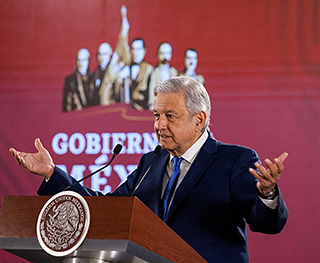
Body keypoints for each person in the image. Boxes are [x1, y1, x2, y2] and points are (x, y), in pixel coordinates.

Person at [9, 76, 288, 262]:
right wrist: (52, 173)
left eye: (170, 116)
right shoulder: (150, 163)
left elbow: (266, 223)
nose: (159, 125)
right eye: (156, 115)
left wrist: (267, 193)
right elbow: (107, 211)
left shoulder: (234, 161)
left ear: (199, 119)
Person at [93, 5, 131, 106]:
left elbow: (122, 40)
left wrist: (124, 19)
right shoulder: (94, 73)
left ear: (110, 53)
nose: (102, 57)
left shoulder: (114, 66)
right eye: (100, 54)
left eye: (105, 54)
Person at [122, 38, 154, 110]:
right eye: (133, 49)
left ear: (144, 51)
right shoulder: (126, 69)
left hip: (143, 110)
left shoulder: (150, 69)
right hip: (126, 110)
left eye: (138, 49)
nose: (135, 52)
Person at [148, 42, 178, 109]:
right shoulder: (154, 72)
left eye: (167, 53)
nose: (165, 56)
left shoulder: (174, 72)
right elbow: (151, 91)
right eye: (162, 53)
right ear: (158, 54)